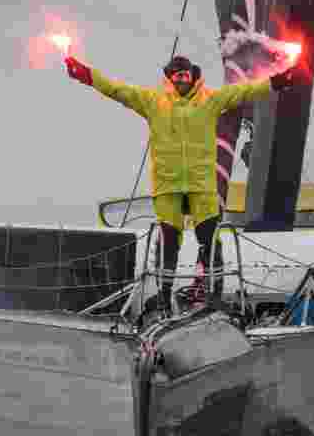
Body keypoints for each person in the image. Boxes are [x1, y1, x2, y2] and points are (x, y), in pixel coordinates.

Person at [65, 53, 296, 312]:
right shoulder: (153, 101)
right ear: (168, 77)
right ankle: (164, 298)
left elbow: (242, 92)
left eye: (185, 74)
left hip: (201, 185)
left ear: (193, 75)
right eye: (176, 75)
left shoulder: (210, 99)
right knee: (169, 243)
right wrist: (87, 75)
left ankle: (214, 296)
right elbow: (117, 90)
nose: (181, 79)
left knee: (209, 241)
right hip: (168, 185)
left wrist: (275, 82)